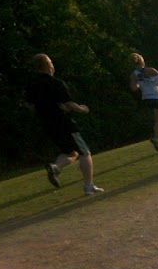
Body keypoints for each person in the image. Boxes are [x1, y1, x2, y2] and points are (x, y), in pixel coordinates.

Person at [25, 54, 103, 196]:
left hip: (47, 124)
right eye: (51, 62)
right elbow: (69, 104)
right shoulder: (56, 83)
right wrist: (83, 109)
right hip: (63, 122)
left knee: (69, 152)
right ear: (48, 65)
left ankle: (55, 167)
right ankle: (89, 187)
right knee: (85, 153)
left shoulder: (32, 85)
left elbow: (30, 106)